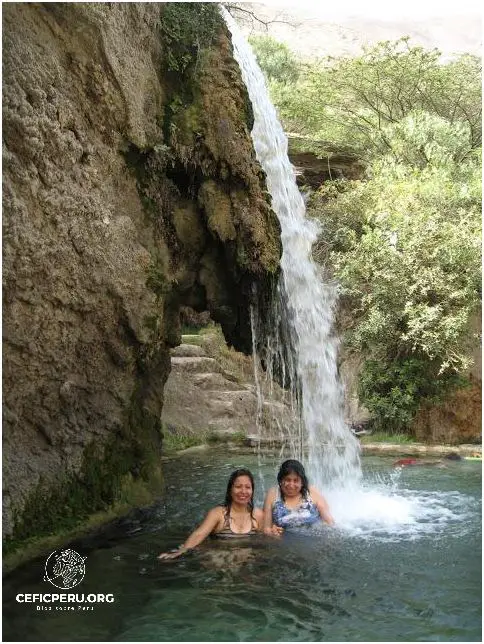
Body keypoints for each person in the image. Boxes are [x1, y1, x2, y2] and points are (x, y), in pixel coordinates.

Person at [158, 468, 263, 559]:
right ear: (230, 490)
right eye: (238, 487)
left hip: (247, 558)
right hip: (220, 557)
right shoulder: (218, 514)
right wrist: (180, 551)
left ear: (252, 490)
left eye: (248, 487)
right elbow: (199, 534)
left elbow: (266, 538)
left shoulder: (258, 515)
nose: (243, 491)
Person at [262, 459, 335, 536]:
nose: (291, 485)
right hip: (283, 540)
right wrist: (272, 533)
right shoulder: (273, 494)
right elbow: (266, 529)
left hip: (313, 539)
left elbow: (330, 523)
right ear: (281, 480)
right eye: (287, 480)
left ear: (302, 482)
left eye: (296, 480)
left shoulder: (312, 492)